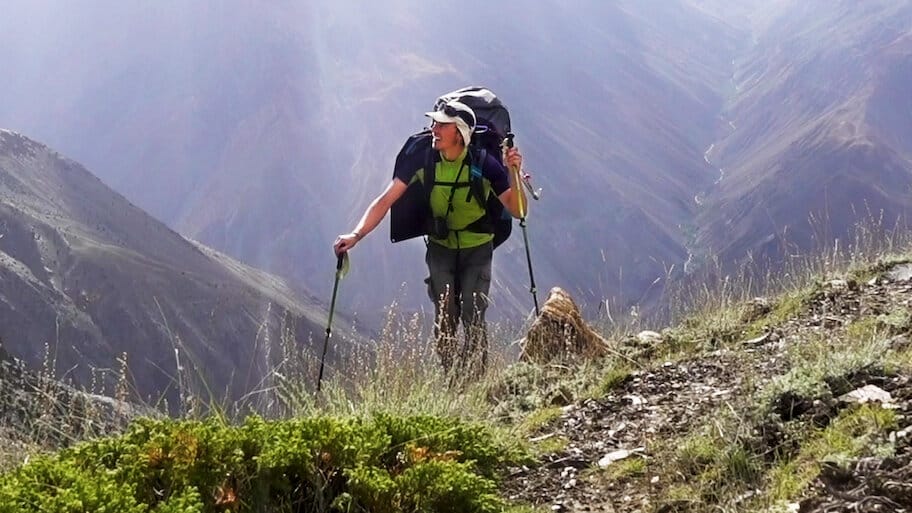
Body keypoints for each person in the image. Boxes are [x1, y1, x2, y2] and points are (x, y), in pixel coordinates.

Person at [333, 99, 527, 377]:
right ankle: (452, 379)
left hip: (478, 246)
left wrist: (513, 172)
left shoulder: (485, 164)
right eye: (434, 123)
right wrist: (356, 235)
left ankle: (474, 382)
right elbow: (385, 200)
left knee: (473, 313)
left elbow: (518, 210)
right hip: (440, 248)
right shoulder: (423, 159)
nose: (433, 128)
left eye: (441, 125)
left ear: (459, 133)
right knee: (445, 316)